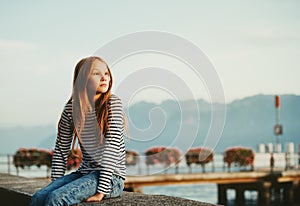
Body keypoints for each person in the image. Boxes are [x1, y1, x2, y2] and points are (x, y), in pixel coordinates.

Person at [30, 56, 126, 205]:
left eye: (106, 73)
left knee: (56, 199)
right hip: (84, 173)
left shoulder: (112, 103)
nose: (104, 78)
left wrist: (101, 191)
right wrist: (57, 183)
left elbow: (112, 147)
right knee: (39, 197)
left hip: (111, 179)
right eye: (96, 73)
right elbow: (61, 150)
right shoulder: (71, 109)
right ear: (83, 79)